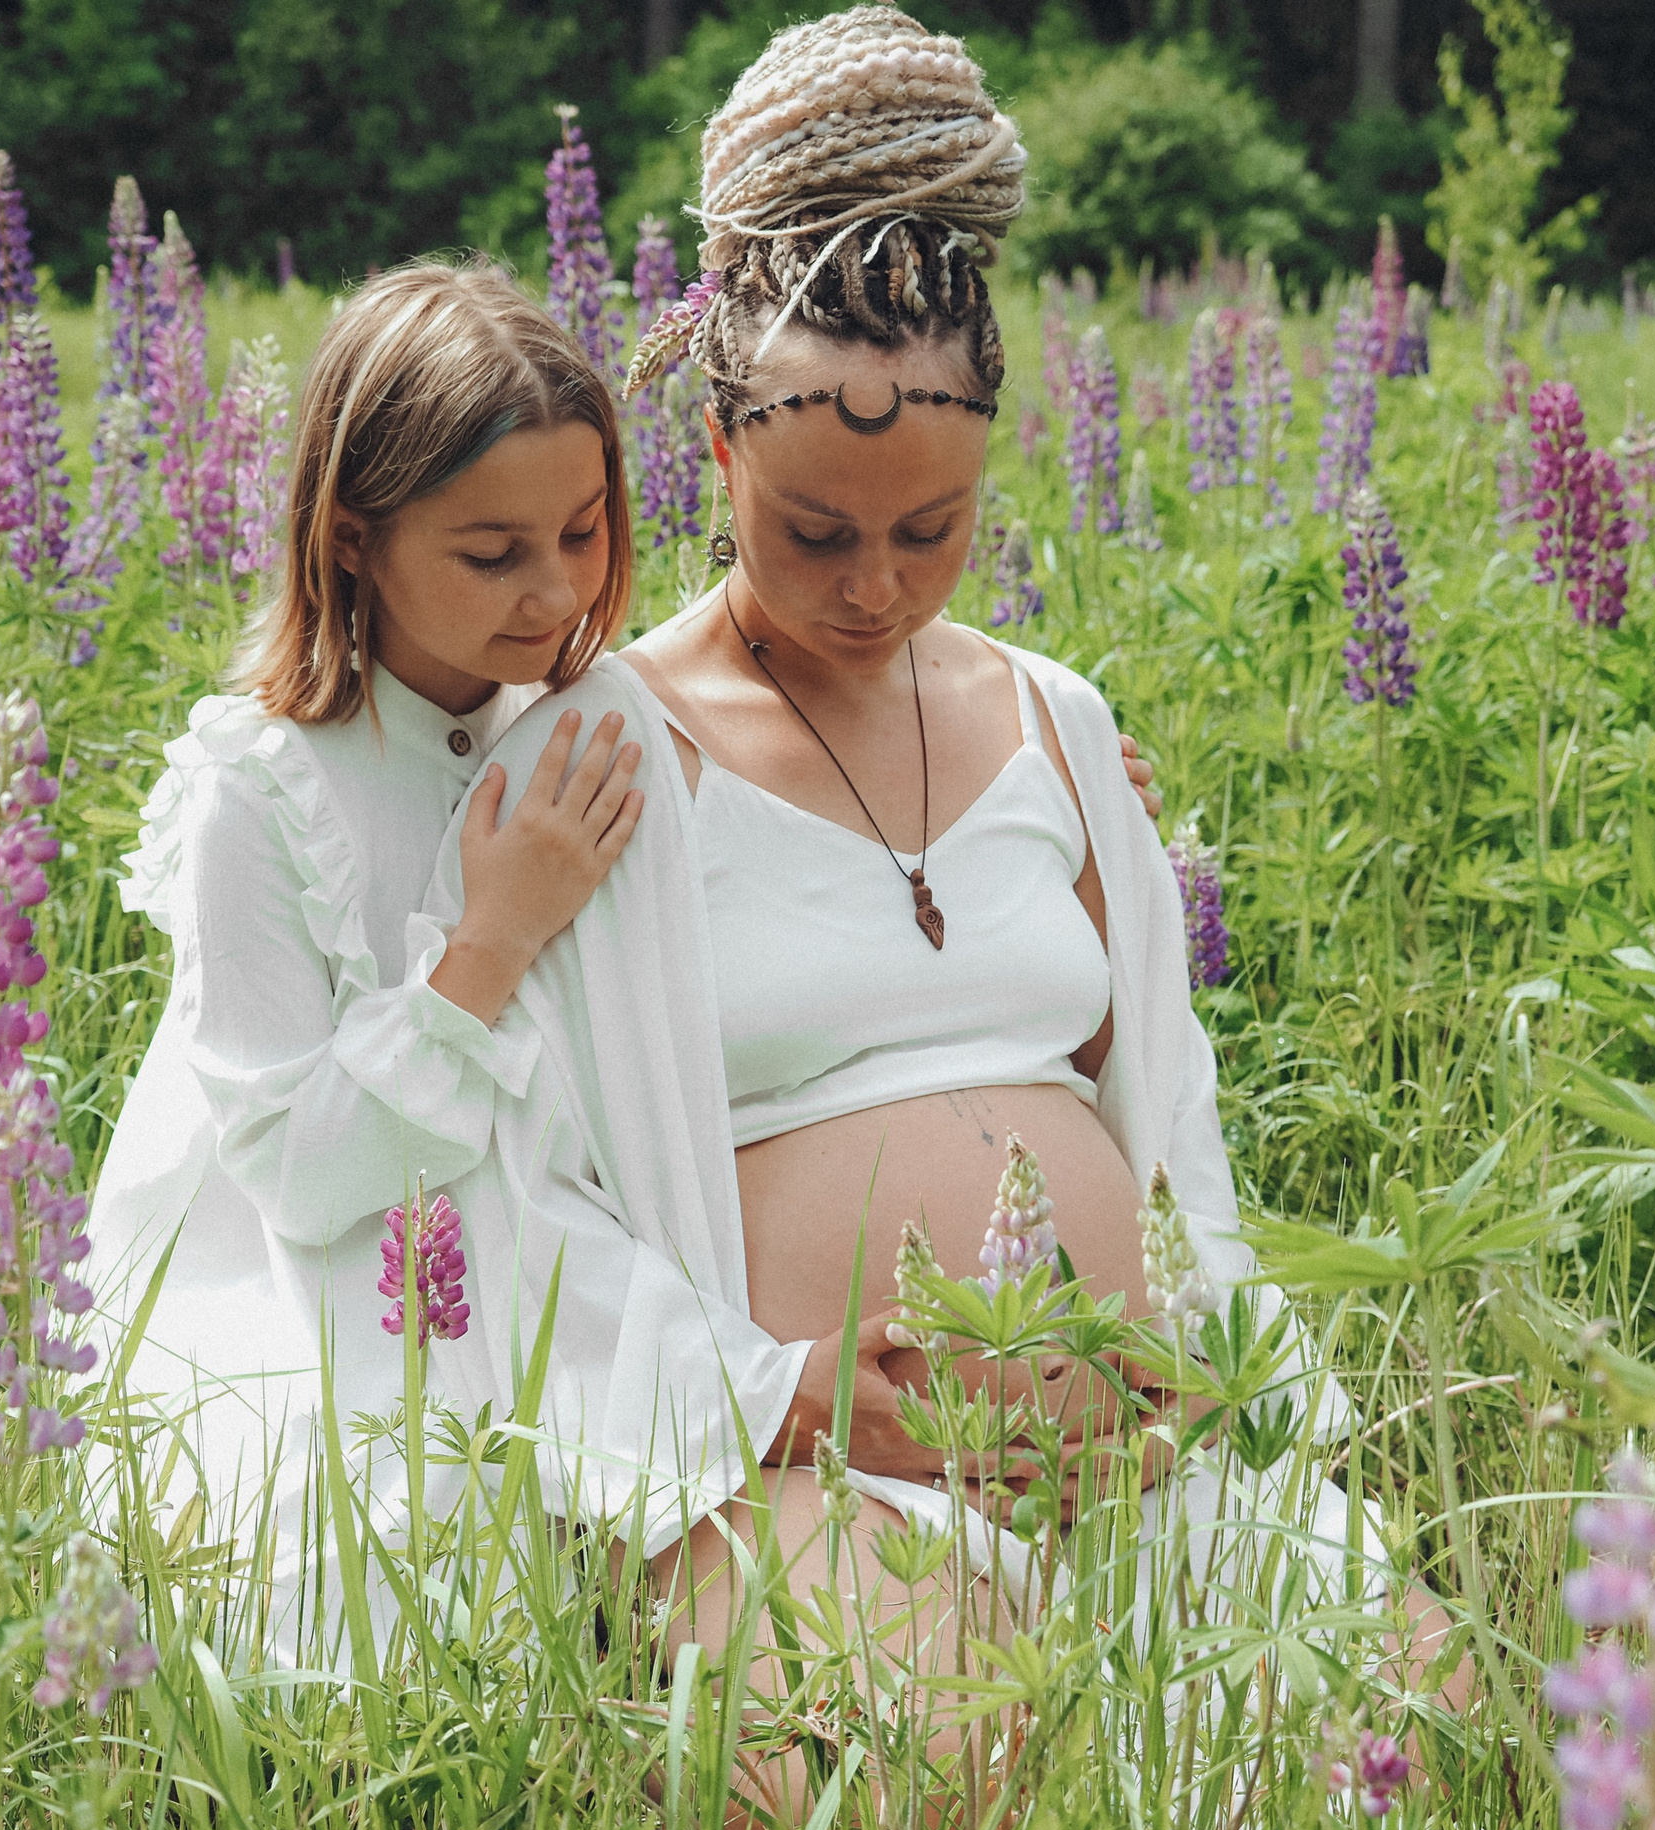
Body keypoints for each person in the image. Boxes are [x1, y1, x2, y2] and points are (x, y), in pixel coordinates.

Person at [421, 4, 1378, 1769]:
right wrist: (762, 1392)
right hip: (785, 1477)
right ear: (715, 454)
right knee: (930, 1788)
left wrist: (1207, 1365)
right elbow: (507, 1190)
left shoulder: (1055, 721)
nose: (875, 586)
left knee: (1416, 1759)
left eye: (928, 530)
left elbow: (1173, 1117)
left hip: (1138, 1465)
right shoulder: (594, 753)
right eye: (815, 529)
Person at [85, 259, 1159, 1644]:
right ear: (350, 536)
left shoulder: (583, 719)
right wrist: (489, 941)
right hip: (328, 1304)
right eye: (492, 554)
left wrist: (1065, 828)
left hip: (534, 1301)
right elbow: (304, 1178)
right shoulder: (268, 784)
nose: (551, 596)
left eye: (585, 535)